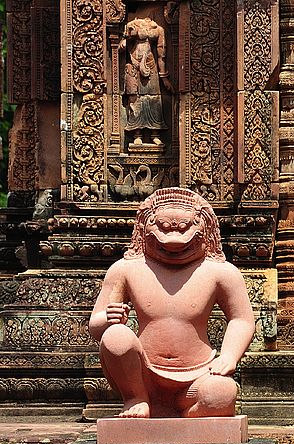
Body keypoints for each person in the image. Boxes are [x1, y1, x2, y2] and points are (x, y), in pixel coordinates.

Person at [89, 187, 255, 418]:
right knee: (115, 337)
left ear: (205, 228)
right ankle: (137, 399)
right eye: (163, 228)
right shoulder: (125, 269)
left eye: (186, 228)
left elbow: (241, 319)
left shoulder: (221, 272)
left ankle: (180, 413)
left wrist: (229, 355)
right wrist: (108, 319)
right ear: (144, 227)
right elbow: (96, 328)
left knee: (221, 395)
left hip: (197, 375)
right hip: (142, 375)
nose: (173, 240)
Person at [120, 17, 171, 148]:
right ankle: (137, 134)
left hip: (151, 65)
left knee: (154, 98)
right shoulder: (132, 25)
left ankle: (155, 134)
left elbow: (161, 54)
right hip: (133, 64)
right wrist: (125, 41)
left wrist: (164, 76)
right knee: (135, 99)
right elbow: (122, 45)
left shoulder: (158, 29)